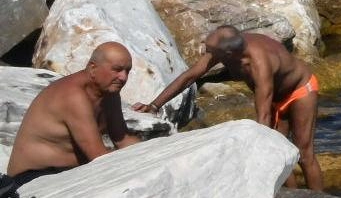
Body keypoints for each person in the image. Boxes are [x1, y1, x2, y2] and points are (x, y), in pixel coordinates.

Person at [133, 26, 322, 190]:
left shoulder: (259, 64)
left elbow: (263, 117)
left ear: (229, 54)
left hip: (300, 91)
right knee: (280, 155)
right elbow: (190, 76)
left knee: (304, 155)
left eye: (210, 49)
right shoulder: (230, 47)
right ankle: (293, 193)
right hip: (275, 96)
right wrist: (154, 105)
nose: (205, 50)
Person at [2, 42, 140, 195]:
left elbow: (122, 138)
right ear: (93, 68)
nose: (123, 77)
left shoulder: (109, 93)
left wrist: (152, 152)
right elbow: (98, 156)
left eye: (127, 71)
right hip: (31, 178)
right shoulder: (73, 96)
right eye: (117, 70)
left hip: (68, 173)